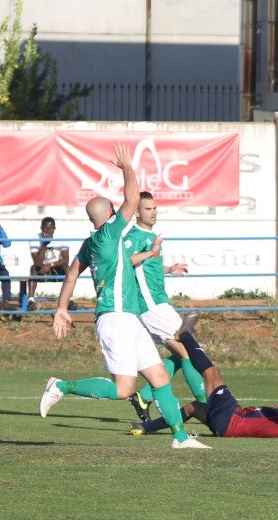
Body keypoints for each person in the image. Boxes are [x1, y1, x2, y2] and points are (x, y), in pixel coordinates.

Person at [38, 143, 210, 450]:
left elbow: (73, 272)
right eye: (117, 212)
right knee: (122, 389)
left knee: (159, 377)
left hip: (129, 318)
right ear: (110, 215)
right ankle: (61, 386)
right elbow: (132, 197)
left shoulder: (92, 242)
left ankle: (181, 438)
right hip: (115, 319)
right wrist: (127, 168)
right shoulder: (109, 234)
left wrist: (61, 308)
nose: (123, 213)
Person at [132, 330, 278, 439]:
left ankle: (184, 334)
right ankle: (144, 428)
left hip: (232, 419)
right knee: (193, 408)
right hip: (227, 425)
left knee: (212, 374)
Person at [125, 192, 207, 421]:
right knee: (188, 351)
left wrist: (169, 269)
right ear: (137, 213)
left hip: (159, 303)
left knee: (182, 354)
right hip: (151, 306)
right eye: (148, 209)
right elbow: (125, 260)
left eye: (155, 208)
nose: (154, 212)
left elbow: (147, 265)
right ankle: (205, 404)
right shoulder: (134, 236)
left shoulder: (150, 235)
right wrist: (150, 252)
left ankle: (143, 396)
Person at [20, 216, 69, 306]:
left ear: (54, 228)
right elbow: (37, 262)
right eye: (45, 227)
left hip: (56, 266)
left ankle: (68, 299)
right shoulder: (35, 239)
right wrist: (44, 244)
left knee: (67, 268)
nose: (48, 230)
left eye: (51, 228)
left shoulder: (61, 238)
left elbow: (66, 260)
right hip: (41, 267)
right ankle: (31, 300)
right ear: (41, 228)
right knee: (33, 269)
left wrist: (50, 265)